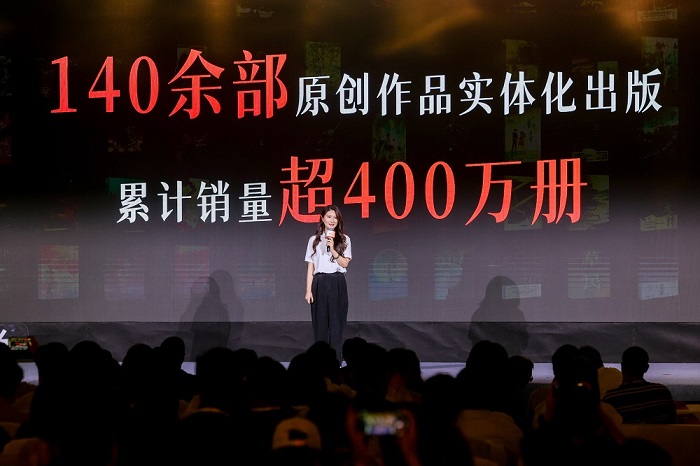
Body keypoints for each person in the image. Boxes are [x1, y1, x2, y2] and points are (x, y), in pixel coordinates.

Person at [304, 205, 352, 362]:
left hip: (337, 282)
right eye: (329, 217)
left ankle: (336, 361)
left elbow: (345, 263)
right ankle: (321, 361)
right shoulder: (313, 240)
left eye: (335, 218)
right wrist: (308, 290)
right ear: (322, 218)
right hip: (319, 282)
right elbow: (310, 267)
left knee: (337, 324)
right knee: (320, 324)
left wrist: (333, 249)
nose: (332, 220)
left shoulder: (344, 239)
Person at [602, 346, 677, 424]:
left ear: (622, 366)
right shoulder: (663, 392)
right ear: (646, 368)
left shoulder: (611, 399)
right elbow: (674, 422)